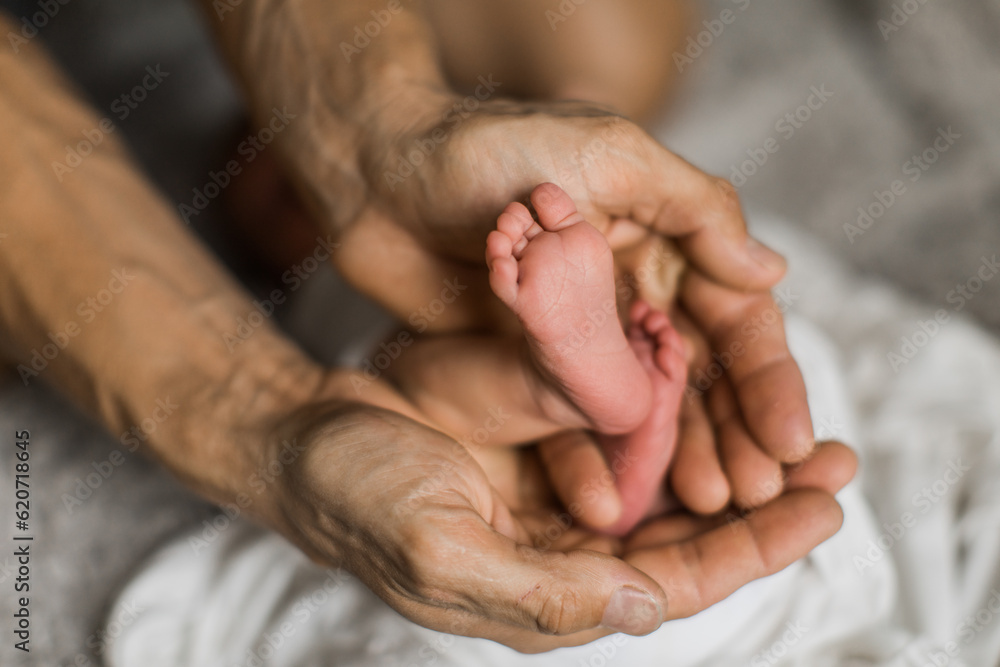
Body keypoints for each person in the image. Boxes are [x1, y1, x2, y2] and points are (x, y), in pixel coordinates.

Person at [0, 1, 855, 656]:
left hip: (459, 256)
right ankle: (587, 387)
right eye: (260, 197)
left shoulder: (358, 240)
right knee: (442, 377)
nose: (261, 164)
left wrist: (376, 120)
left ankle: (584, 382)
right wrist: (253, 402)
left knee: (615, 58)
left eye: (263, 154)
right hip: (447, 307)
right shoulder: (330, 279)